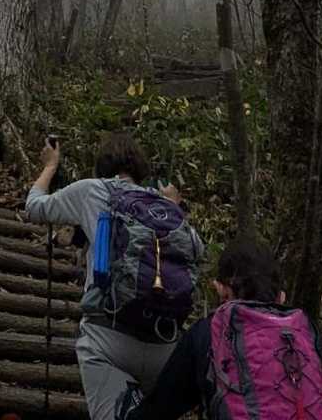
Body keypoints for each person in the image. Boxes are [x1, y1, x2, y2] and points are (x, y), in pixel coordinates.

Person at [26, 131, 204, 420]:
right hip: (165, 343)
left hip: (108, 338)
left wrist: (50, 165)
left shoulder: (93, 190)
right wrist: (174, 206)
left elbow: (34, 207)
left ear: (103, 165)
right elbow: (197, 248)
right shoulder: (163, 205)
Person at [113, 236, 322, 419]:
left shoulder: (210, 332)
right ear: (280, 296)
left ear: (221, 289)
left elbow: (159, 410)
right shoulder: (306, 330)